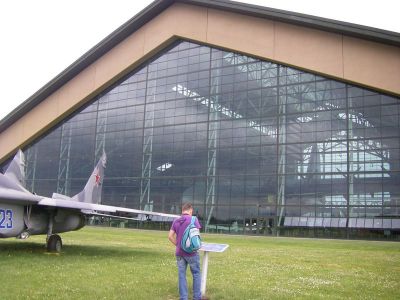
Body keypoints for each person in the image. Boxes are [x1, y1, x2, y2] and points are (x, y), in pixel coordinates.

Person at [168, 203, 202, 300]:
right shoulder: (194, 219)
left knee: (181, 274)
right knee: (196, 273)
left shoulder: (176, 220)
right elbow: (197, 236)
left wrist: (178, 244)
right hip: (191, 253)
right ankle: (197, 297)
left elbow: (170, 236)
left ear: (183, 210)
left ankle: (183, 297)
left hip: (179, 253)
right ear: (190, 210)